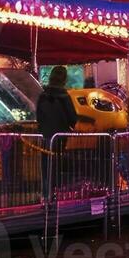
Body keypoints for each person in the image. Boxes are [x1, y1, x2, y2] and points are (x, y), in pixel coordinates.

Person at [35, 66, 79, 204]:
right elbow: (73, 117)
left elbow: (39, 116)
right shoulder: (64, 96)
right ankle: (55, 195)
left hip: (45, 136)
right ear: (64, 79)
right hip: (60, 137)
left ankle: (46, 194)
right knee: (57, 165)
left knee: (46, 165)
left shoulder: (43, 95)